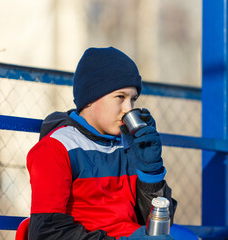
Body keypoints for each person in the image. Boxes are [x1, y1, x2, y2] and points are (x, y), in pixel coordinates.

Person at [27, 47, 177, 239]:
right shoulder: (57, 147)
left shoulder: (129, 146)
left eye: (133, 99)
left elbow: (160, 224)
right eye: (120, 97)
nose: (128, 109)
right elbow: (47, 232)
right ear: (90, 98)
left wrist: (151, 171)